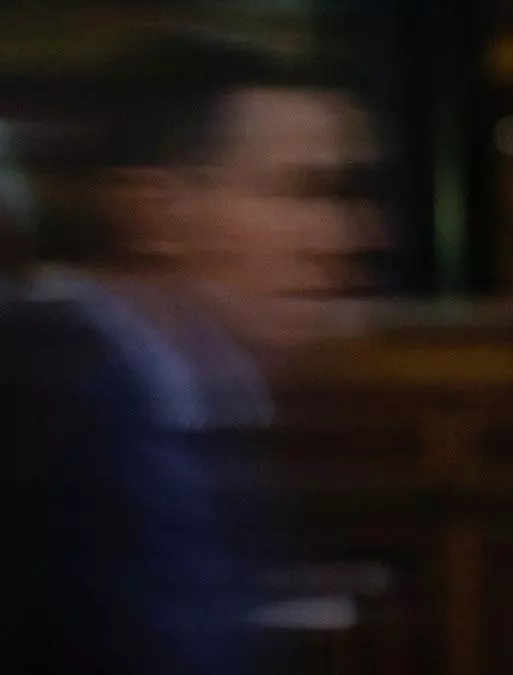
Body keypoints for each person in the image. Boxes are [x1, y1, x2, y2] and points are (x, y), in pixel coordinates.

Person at [0, 27, 385, 675]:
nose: (347, 235)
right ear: (161, 213)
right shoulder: (65, 408)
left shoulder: (156, 393)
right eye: (301, 190)